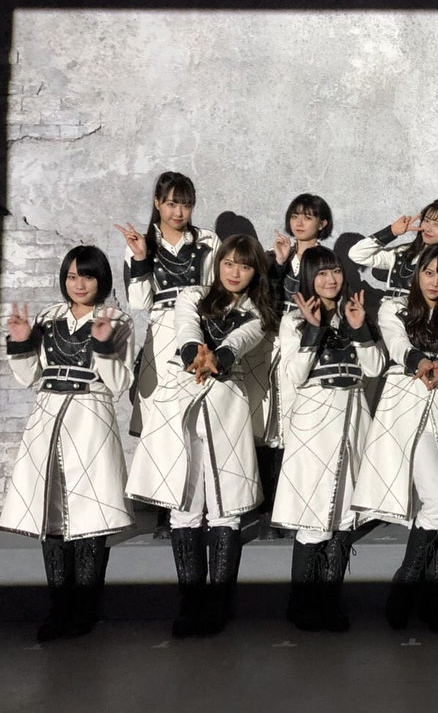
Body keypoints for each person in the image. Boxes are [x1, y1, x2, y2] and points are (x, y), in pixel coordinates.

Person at [126, 234, 278, 637]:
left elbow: (241, 341)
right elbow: (186, 328)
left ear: (255, 272)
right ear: (218, 263)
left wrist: (217, 358)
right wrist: (196, 353)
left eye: (244, 266)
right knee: (184, 505)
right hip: (182, 405)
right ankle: (190, 603)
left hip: (227, 408)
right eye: (228, 263)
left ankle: (218, 604)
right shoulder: (191, 295)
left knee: (227, 508)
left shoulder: (259, 312)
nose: (235, 272)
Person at [1, 246, 134, 641]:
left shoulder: (117, 319)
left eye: (88, 276)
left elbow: (118, 382)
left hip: (90, 418)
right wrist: (21, 342)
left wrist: (104, 344)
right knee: (52, 514)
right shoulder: (48, 318)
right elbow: (28, 376)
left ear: (101, 280)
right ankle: (59, 609)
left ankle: (85, 609)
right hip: (48, 419)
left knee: (90, 515)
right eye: (72, 276)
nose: (79, 284)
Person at [351, 245, 438, 633]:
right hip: (405, 408)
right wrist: (421, 362)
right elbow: (398, 344)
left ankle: (431, 599)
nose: (435, 281)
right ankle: (405, 585)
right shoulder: (394, 307)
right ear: (417, 273)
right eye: (429, 272)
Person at [272, 246, 383, 632]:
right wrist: (314, 328)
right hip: (315, 420)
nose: (330, 279)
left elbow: (374, 368)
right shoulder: (293, 319)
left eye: (335, 271)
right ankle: (302, 602)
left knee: (344, 518)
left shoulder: (355, 312)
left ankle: (330, 603)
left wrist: (360, 327)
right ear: (307, 278)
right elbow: (295, 375)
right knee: (313, 515)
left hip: (352, 415)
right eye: (321, 273)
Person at [115, 171, 218, 539]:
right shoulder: (141, 243)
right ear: (157, 203)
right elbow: (139, 302)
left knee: (200, 421)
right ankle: (166, 508)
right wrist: (141, 257)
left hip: (199, 331)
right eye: (172, 203)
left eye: (186, 204)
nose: (179, 212)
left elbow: (217, 291)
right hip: (160, 337)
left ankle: (206, 505)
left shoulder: (208, 240)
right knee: (163, 424)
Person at [252, 194, 334, 540]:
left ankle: (299, 505)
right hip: (274, 344)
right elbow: (263, 299)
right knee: (269, 425)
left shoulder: (327, 261)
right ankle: (271, 509)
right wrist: (280, 264)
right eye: (295, 216)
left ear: (322, 224)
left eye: (308, 217)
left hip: (310, 345)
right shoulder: (276, 257)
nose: (300, 223)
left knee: (298, 424)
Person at [348, 199, 438, 301]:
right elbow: (356, 254)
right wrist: (391, 232)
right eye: (426, 220)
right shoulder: (402, 252)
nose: (428, 228)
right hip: (387, 313)